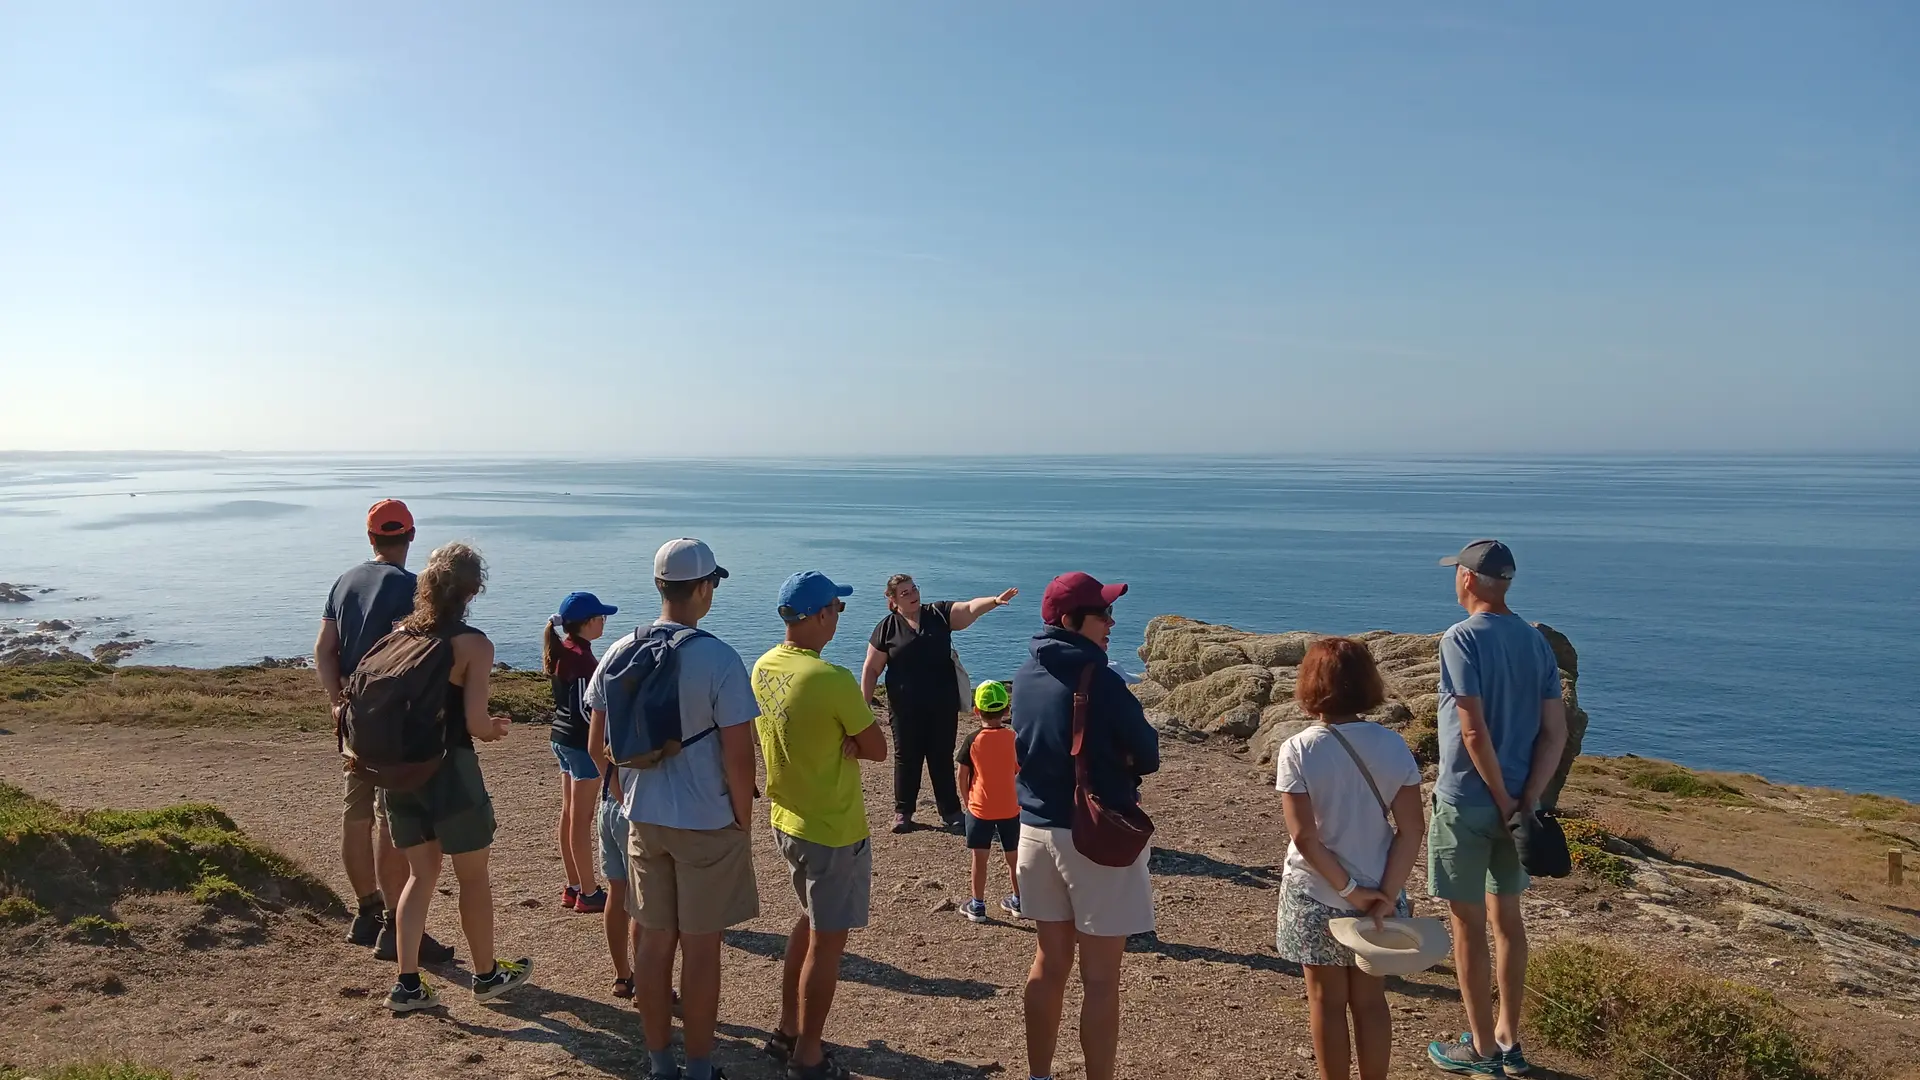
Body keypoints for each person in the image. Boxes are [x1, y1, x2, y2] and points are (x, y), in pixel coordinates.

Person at [587, 538, 759, 1080]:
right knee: (702, 951)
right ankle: (701, 1068)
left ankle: (661, 1064)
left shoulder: (619, 650)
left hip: (644, 819)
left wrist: (621, 793)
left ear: (660, 586)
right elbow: (739, 754)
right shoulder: (719, 658)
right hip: (706, 821)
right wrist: (742, 817)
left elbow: (597, 746)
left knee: (655, 943)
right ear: (704, 588)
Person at [1010, 572, 1160, 1080]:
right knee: (1100, 979)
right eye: (1102, 614)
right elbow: (1149, 752)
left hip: (1034, 832)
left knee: (1049, 965)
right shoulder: (1102, 680)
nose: (1111, 622)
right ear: (1071, 621)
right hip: (1093, 837)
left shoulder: (1026, 673)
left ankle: (1039, 1075)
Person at [1426, 540, 1568, 1076]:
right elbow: (1553, 732)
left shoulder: (1460, 639)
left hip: (1466, 801)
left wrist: (1503, 798)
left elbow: (1471, 728)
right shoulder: (1536, 643)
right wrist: (1528, 797)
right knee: (1508, 920)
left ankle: (1481, 1048)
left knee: (1467, 925)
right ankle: (1511, 1040)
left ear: (1466, 579)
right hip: (1520, 810)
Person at [381, 542, 534, 1011]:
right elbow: (475, 724)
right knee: (473, 877)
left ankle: (407, 985)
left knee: (419, 876)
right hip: (449, 770)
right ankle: (486, 975)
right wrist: (497, 730)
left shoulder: (399, 634)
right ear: (473, 590)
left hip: (399, 770)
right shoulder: (473, 645)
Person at [752, 571, 887, 1080]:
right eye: (836, 608)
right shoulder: (830, 679)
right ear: (820, 615)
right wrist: (851, 740)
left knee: (808, 924)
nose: (838, 618)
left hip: (787, 819)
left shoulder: (764, 666)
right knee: (827, 944)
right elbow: (878, 749)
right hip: (833, 827)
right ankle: (808, 1055)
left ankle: (787, 1028)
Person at [1274, 638, 1426, 1080]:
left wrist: (1347, 890)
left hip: (1316, 891)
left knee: (1325, 1001)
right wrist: (1384, 895)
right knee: (1371, 1000)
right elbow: (1412, 828)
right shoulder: (1393, 745)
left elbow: (1304, 836)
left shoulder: (1298, 749)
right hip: (1381, 887)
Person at [314, 497, 453, 965]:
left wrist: (337, 701)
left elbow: (325, 649)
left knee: (357, 812)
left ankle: (366, 911)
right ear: (411, 537)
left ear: (371, 538)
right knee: (393, 818)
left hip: (354, 717)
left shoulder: (344, 582)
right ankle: (398, 924)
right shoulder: (416, 590)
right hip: (398, 722)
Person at [860, 574, 1019, 832]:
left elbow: (968, 609)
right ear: (892, 600)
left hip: (942, 706)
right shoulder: (887, 628)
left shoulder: (939, 614)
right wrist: (863, 706)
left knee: (941, 758)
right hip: (904, 709)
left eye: (914, 589)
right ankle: (903, 812)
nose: (913, 595)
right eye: (905, 593)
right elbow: (871, 669)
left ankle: (951, 812)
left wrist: (994, 601)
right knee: (906, 758)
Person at [544, 590, 619, 915]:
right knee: (581, 817)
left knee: (569, 813)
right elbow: (584, 710)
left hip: (561, 739)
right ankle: (588, 892)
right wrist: (604, 739)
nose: (604, 622)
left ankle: (574, 885)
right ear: (587, 623)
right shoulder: (580, 658)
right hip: (578, 744)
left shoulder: (566, 650)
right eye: (601, 617)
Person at [954, 679, 1022, 923]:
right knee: (1013, 856)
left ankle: (978, 904)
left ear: (976, 711)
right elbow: (1019, 770)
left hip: (980, 808)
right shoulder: (1013, 738)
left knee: (979, 858)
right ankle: (1018, 900)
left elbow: (962, 774)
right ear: (1006, 710)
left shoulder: (972, 740)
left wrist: (966, 800)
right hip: (1010, 807)